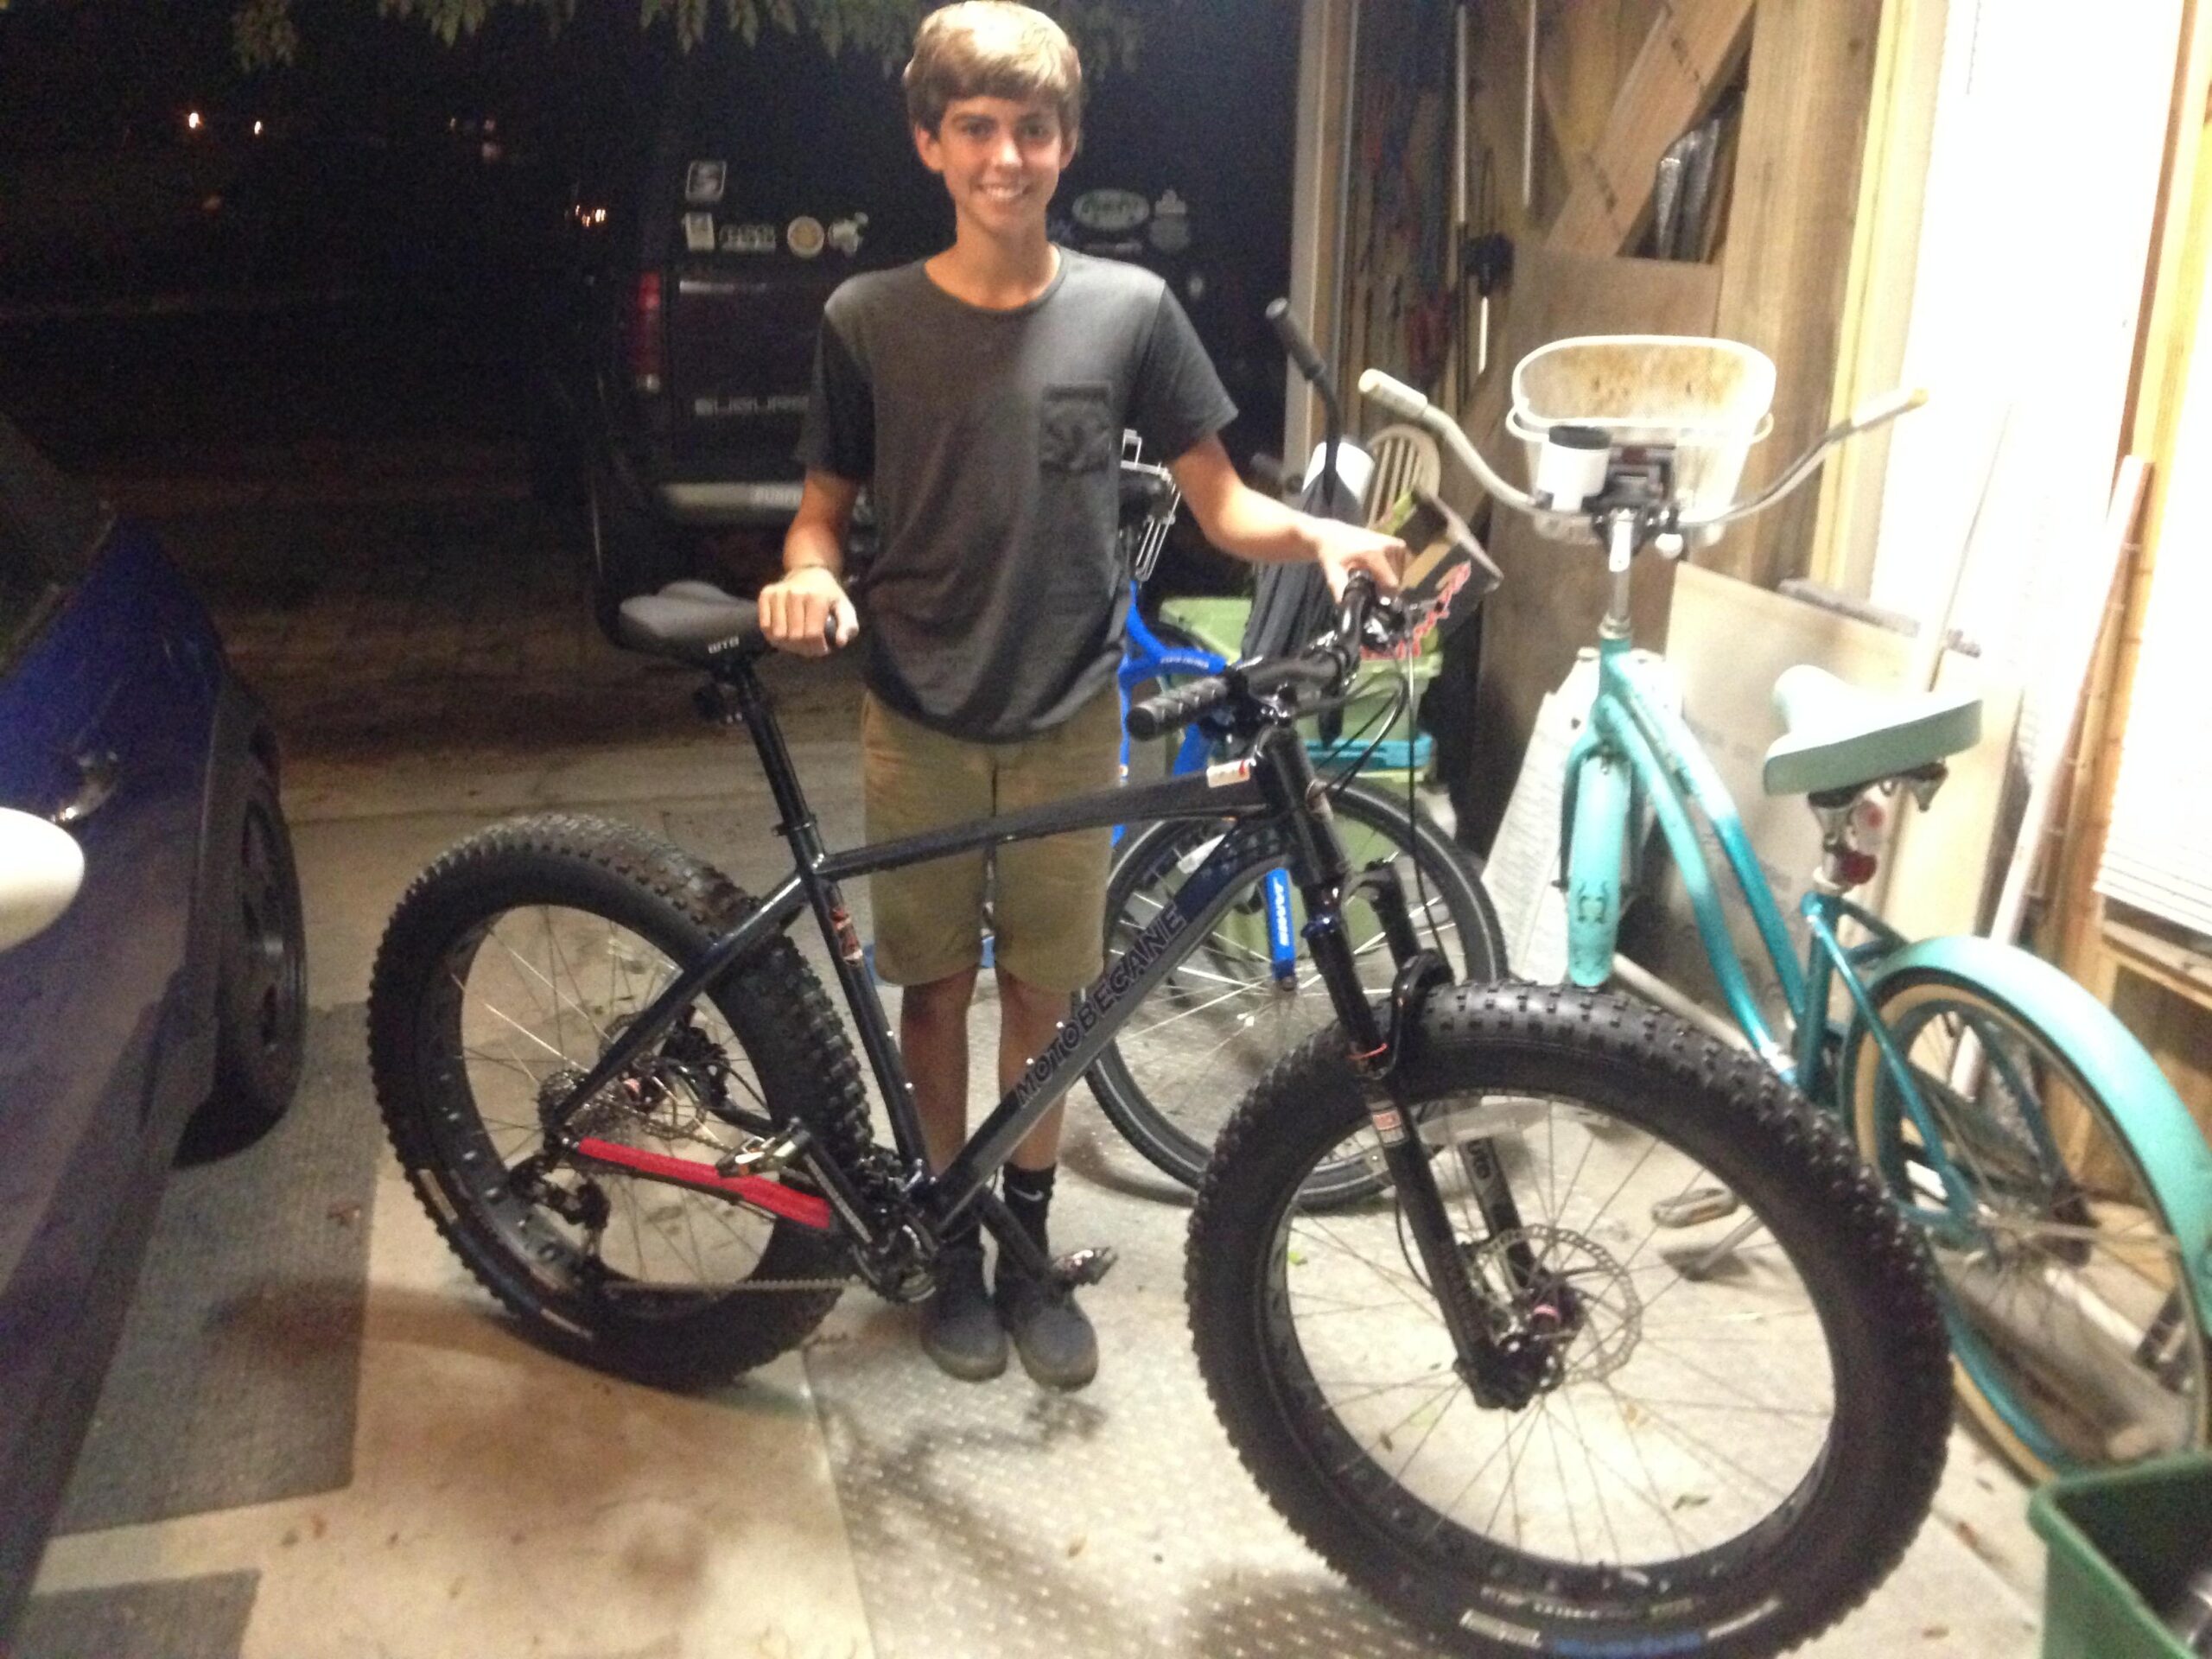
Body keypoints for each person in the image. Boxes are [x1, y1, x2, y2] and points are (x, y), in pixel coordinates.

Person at [758, 0, 1403, 1390]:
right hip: (917, 711)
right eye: (976, 128)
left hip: (1069, 716)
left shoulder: (1131, 312)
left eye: (1031, 129)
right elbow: (820, 517)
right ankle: (948, 1238)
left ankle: (1028, 1248)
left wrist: (1331, 535)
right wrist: (805, 578)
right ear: (932, 144)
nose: (1006, 155)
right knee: (934, 991)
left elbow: (1224, 507)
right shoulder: (865, 319)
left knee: (1046, 993)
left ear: (1066, 144)